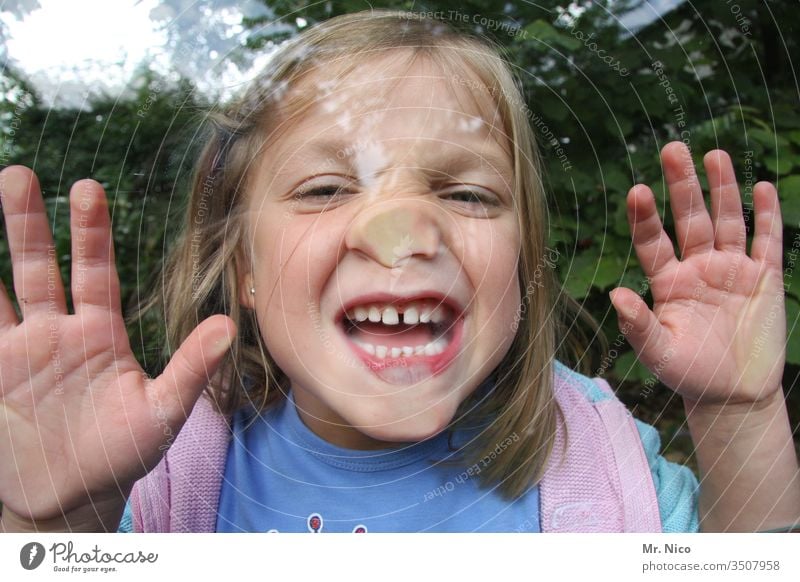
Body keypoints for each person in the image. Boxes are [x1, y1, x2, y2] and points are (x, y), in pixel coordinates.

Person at [0, 10, 798, 533]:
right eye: (326, 188)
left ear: (520, 265)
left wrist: (736, 410)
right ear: (242, 266)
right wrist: (53, 522)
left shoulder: (594, 456)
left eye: (467, 193)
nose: (403, 233)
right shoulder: (165, 474)